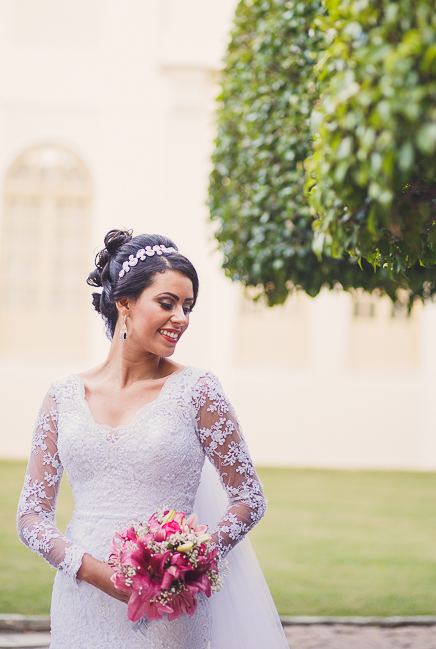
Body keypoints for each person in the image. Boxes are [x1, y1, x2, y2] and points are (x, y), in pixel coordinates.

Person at [17, 229, 290, 649]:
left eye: (188, 307)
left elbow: (249, 499)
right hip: (82, 600)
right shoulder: (63, 397)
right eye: (167, 303)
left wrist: (188, 562)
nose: (181, 317)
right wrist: (90, 570)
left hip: (169, 605)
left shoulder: (198, 391)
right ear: (124, 303)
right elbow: (31, 517)